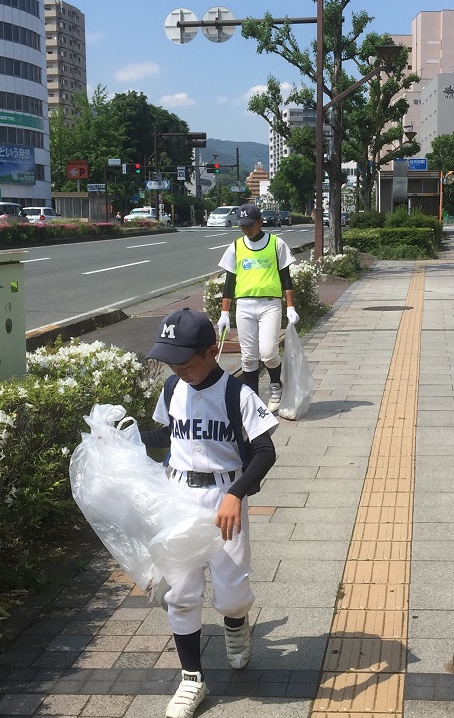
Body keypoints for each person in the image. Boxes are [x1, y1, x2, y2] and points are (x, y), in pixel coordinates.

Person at [141, 307, 279, 718]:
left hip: (224, 498)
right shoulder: (172, 387)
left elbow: (265, 451)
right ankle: (191, 678)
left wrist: (237, 493)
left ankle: (236, 625)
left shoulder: (238, 394)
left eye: (186, 362)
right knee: (181, 592)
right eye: (172, 363)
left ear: (212, 350)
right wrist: (126, 436)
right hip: (179, 495)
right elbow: (169, 433)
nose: (178, 370)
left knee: (232, 595)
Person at [217, 203, 299, 412]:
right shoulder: (236, 247)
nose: (246, 229)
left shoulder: (276, 243)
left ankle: (275, 386)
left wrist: (290, 307)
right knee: (248, 357)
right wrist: (224, 313)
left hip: (270, 305)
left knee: (269, 353)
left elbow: (286, 278)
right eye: (242, 225)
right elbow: (229, 282)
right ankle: (252, 399)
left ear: (260, 222)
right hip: (244, 305)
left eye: (250, 225)